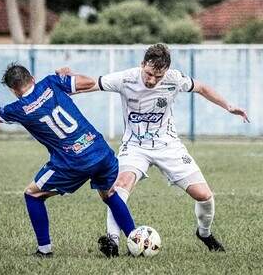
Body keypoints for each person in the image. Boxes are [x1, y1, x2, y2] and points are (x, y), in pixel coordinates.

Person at [56, 43, 250, 256]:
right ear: (142, 65)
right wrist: (68, 78)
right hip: (135, 147)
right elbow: (92, 84)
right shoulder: (126, 78)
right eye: (148, 74)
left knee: (204, 196)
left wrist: (228, 106)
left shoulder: (174, 79)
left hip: (169, 146)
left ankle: (204, 234)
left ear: (165, 71)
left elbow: (202, 88)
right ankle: (112, 241)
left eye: (158, 77)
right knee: (119, 187)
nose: (151, 80)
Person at [0, 63, 135, 257]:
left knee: (32, 195)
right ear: (32, 79)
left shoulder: (18, 108)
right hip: (99, 150)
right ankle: (135, 239)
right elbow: (89, 82)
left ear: (14, 90)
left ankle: (44, 250)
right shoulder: (51, 82)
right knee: (110, 194)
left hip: (73, 161)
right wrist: (69, 75)